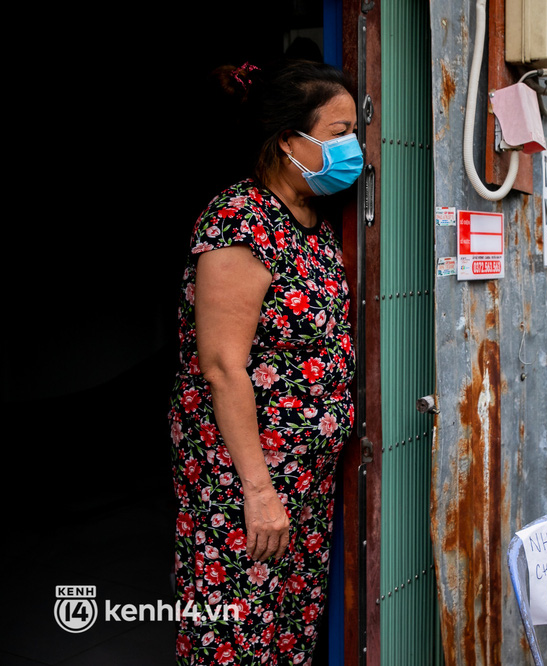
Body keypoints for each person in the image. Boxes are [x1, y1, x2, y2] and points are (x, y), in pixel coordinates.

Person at [168, 59, 362, 664]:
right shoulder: (240, 221)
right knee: (235, 635)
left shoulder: (317, 223)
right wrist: (258, 490)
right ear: (288, 141)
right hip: (245, 486)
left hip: (305, 485)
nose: (352, 148)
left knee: (288, 634)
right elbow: (223, 366)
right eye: (338, 133)